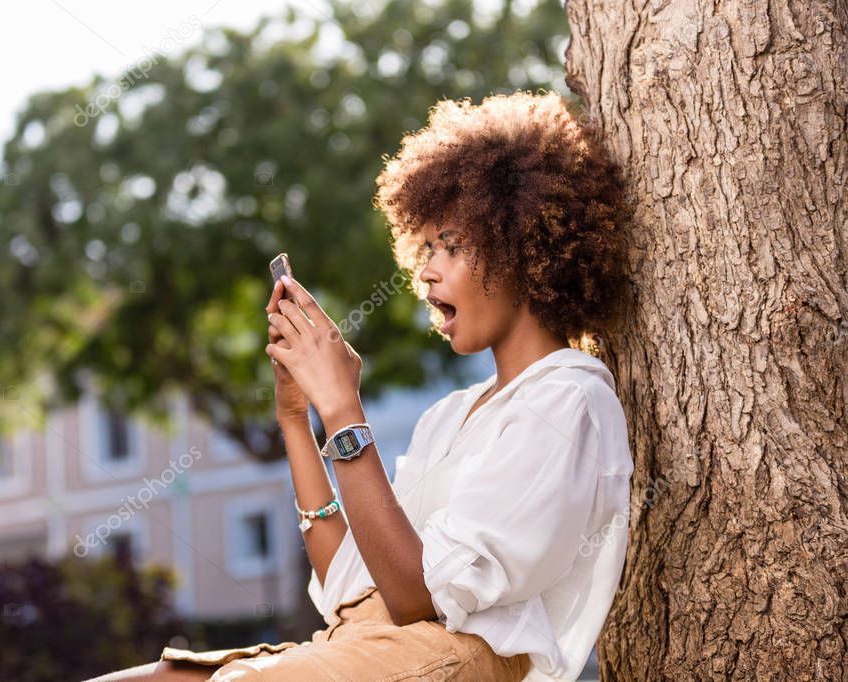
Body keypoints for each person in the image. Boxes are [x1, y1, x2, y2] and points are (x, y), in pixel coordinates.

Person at [86, 90, 634, 681]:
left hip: (453, 659)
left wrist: (343, 407)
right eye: (426, 248)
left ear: (525, 252)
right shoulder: (449, 416)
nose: (426, 270)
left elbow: (417, 599)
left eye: (451, 246)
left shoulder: (570, 397)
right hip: (364, 640)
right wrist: (300, 418)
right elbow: (351, 582)